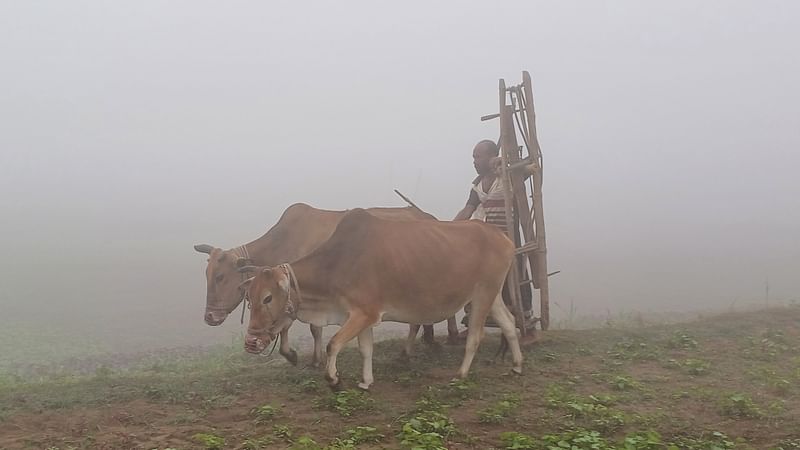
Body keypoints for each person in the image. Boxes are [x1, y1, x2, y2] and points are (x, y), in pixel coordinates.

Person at [452, 139, 533, 339]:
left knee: (516, 279)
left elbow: (533, 166)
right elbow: (468, 209)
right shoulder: (477, 185)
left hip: (507, 239)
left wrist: (504, 163)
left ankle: (527, 323)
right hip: (484, 244)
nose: (474, 161)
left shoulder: (507, 177)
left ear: (491, 157)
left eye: (477, 156)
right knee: (476, 279)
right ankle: (472, 322)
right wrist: (448, 227)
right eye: (473, 157)